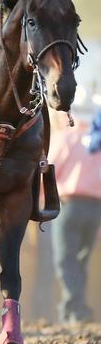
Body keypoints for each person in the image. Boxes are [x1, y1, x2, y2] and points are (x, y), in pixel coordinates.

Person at [50, 109, 101, 323]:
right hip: (96, 207)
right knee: (81, 259)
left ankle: (73, 309)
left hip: (70, 206)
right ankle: (77, 308)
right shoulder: (96, 141)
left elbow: (49, 171)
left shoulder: (67, 137)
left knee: (65, 259)